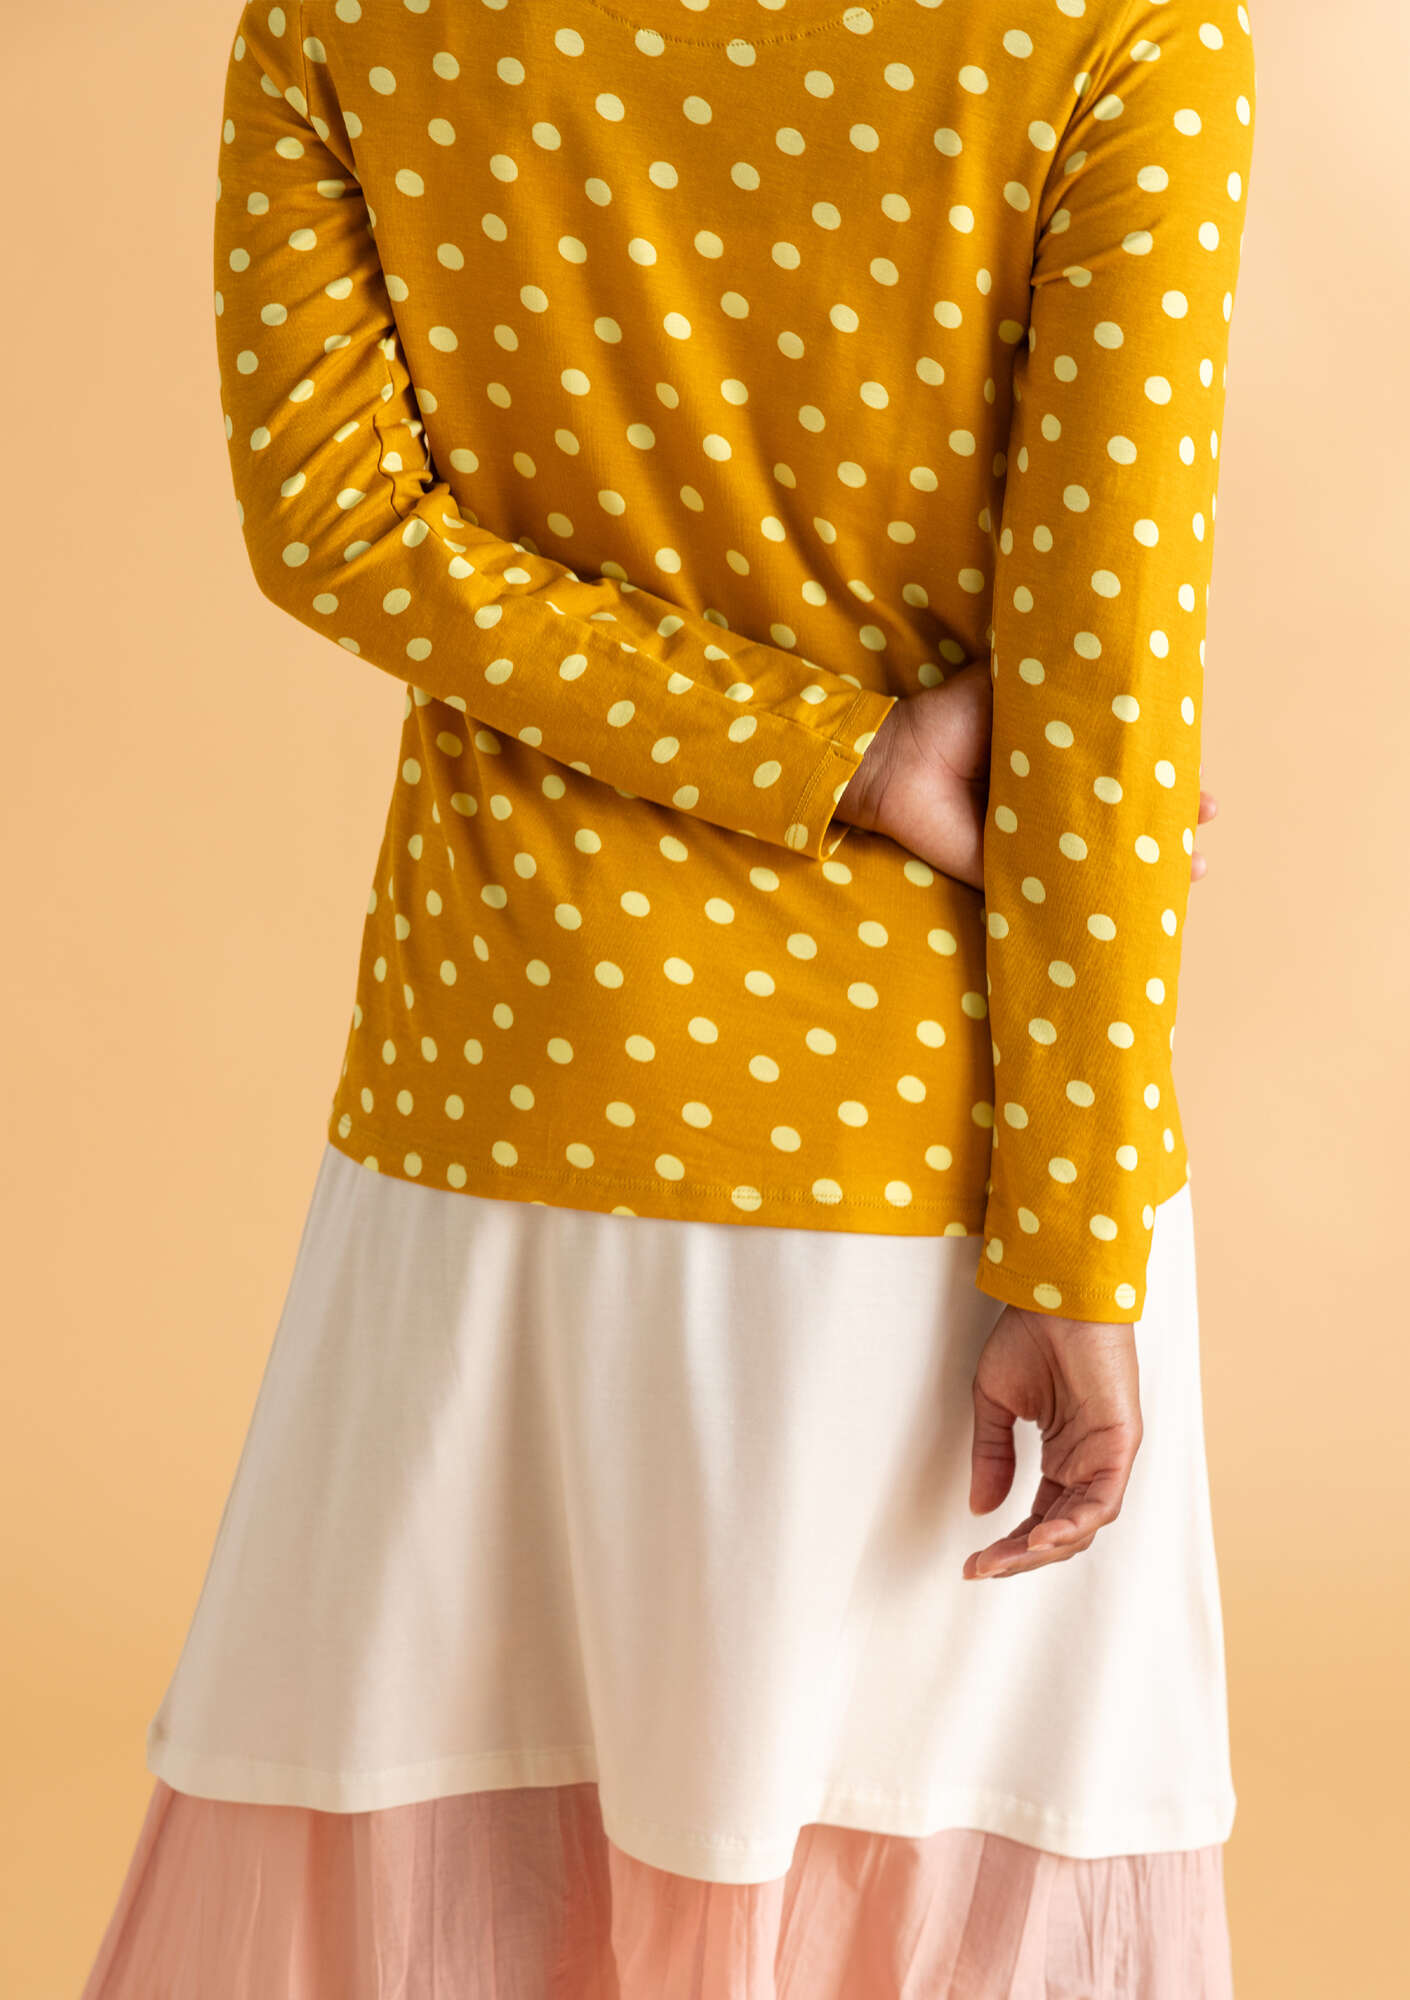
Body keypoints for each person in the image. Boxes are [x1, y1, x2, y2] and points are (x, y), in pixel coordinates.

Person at [81, 0, 1256, 1993]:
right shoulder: (1120, 30)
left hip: (497, 1085)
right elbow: (1101, 690)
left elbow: (338, 528)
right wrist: (1073, 1244)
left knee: (464, 1851)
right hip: (923, 1139)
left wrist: (825, 751)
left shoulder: (343, 17)